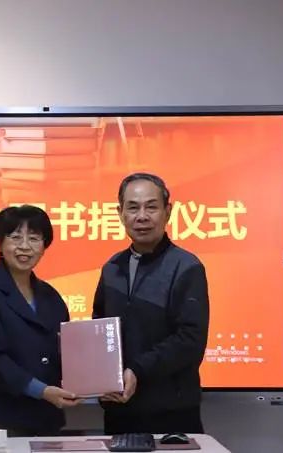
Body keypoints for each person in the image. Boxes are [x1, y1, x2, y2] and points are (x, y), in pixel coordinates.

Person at [92, 173, 210, 435]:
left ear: (168, 212)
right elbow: (99, 327)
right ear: (120, 213)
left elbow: (190, 340)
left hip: (172, 414)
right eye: (133, 207)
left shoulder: (186, 267)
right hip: (119, 411)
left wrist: (137, 369)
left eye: (151, 207)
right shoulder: (112, 268)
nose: (142, 216)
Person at [0, 205, 81, 436]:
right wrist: (41, 390)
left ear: (44, 246)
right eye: (15, 237)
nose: (25, 246)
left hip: (45, 417)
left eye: (34, 238)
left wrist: (89, 381)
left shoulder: (50, 296)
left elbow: (64, 351)